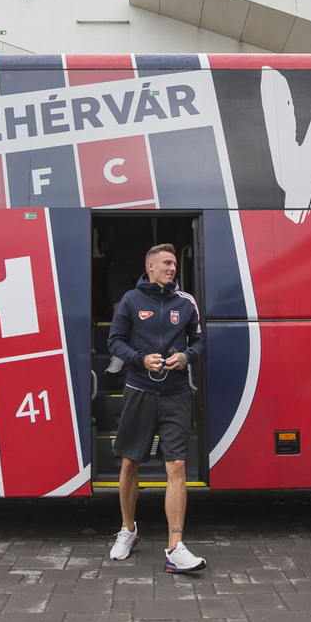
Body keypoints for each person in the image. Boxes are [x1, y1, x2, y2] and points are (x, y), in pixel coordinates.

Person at [105, 243, 206, 573]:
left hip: (176, 394)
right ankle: (128, 530)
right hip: (140, 391)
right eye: (166, 263)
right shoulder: (131, 300)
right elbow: (114, 341)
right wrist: (139, 359)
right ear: (150, 267)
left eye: (174, 263)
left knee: (177, 466)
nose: (172, 268)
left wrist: (186, 356)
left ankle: (175, 547)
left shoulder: (186, 302)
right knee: (129, 463)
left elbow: (199, 341)